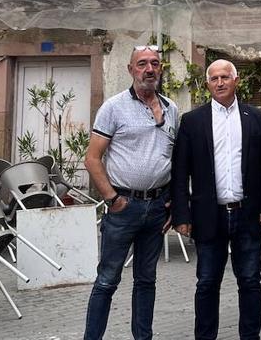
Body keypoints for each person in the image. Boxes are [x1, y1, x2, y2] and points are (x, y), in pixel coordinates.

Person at [171, 59, 261, 340]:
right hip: (209, 215)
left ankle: (250, 336)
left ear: (236, 80)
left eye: (225, 77)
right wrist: (182, 215)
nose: (220, 82)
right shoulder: (193, 121)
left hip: (248, 213)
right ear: (207, 84)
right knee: (207, 283)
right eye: (214, 78)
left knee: (250, 281)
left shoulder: (255, 117)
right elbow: (180, 171)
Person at [83, 45, 180, 340]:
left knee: (146, 280)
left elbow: (173, 158)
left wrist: (174, 200)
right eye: (142, 64)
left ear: (160, 69)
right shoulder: (113, 107)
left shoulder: (172, 109)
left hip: (157, 208)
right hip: (124, 207)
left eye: (154, 64)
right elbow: (92, 158)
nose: (148, 69)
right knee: (107, 280)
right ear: (131, 69)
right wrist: (112, 200)